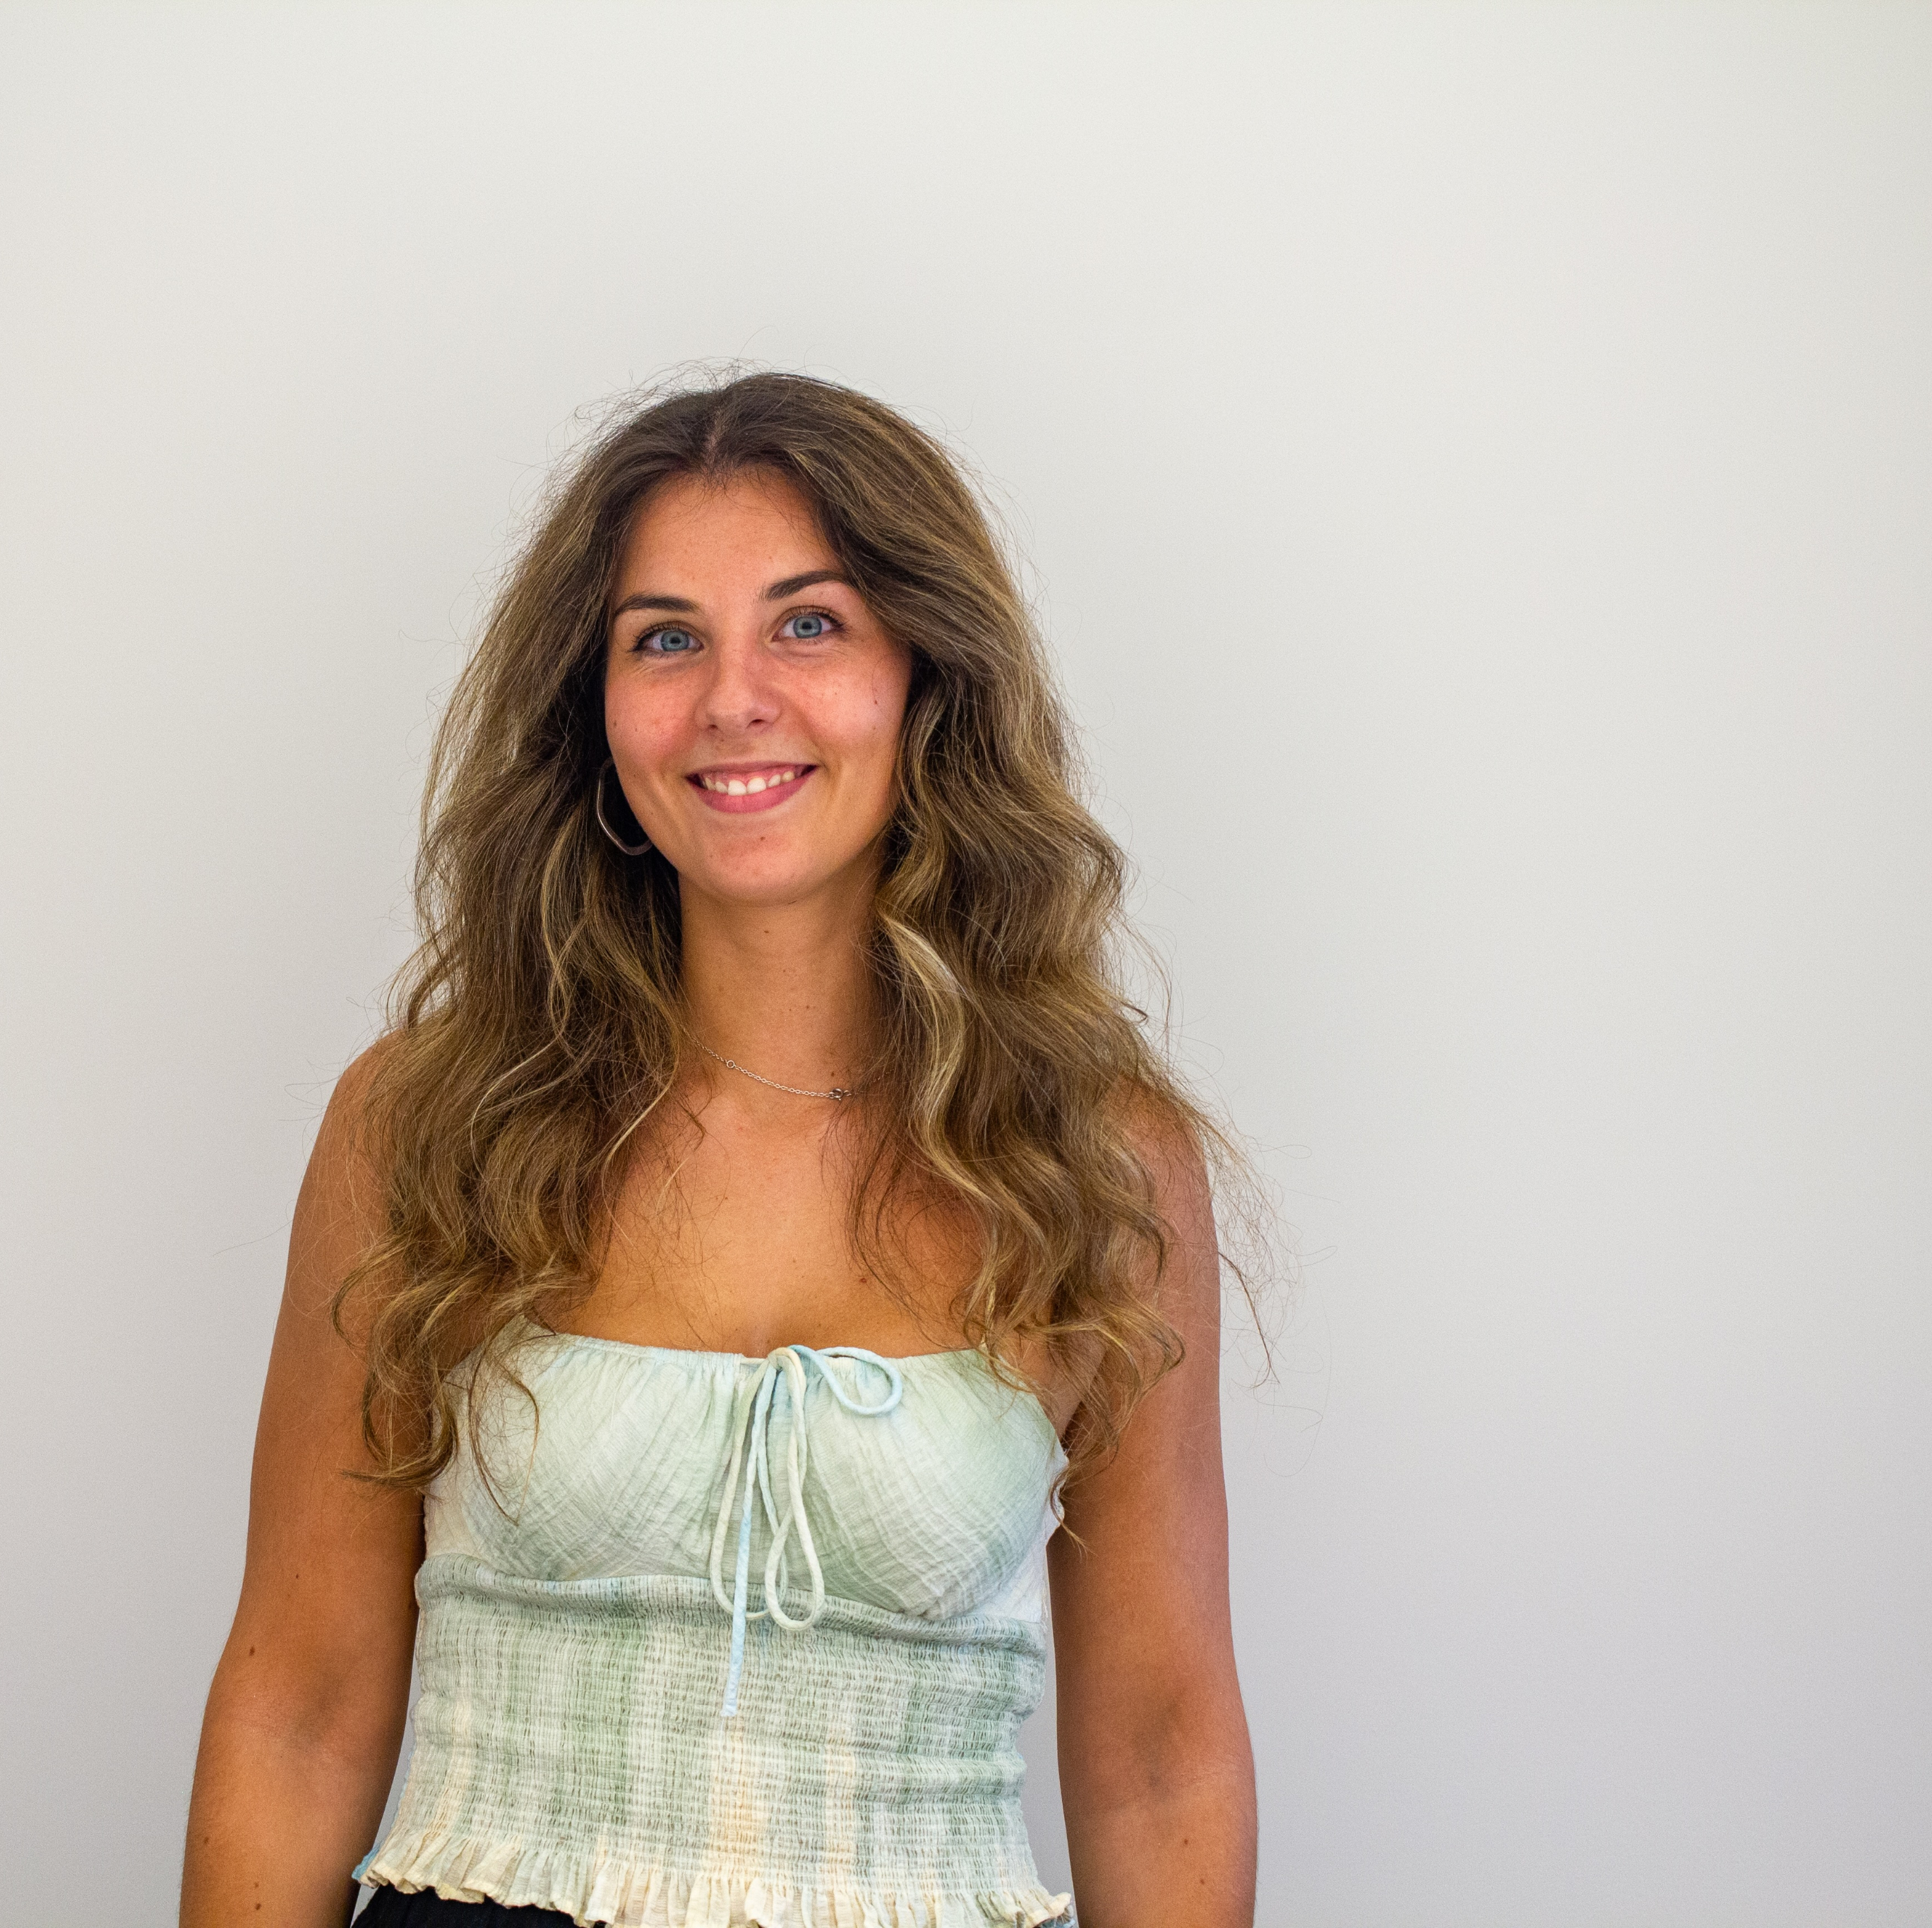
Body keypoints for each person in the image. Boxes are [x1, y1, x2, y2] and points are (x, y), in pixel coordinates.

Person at [179, 373, 1256, 1928]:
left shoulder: (1087, 1160)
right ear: (594, 708)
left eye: (807, 624)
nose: (732, 699)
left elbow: (1161, 1757)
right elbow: (301, 1708)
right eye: (665, 637)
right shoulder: (430, 1121)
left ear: (922, 677)